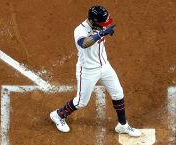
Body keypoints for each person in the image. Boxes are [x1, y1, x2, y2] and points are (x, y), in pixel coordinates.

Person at [50, 5, 141, 137]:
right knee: (81, 102)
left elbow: (106, 23)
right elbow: (84, 43)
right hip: (87, 71)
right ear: (93, 20)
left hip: (104, 66)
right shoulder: (79, 30)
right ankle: (58, 115)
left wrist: (103, 29)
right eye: (101, 23)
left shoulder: (99, 24)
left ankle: (122, 125)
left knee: (118, 93)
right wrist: (101, 34)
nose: (104, 25)